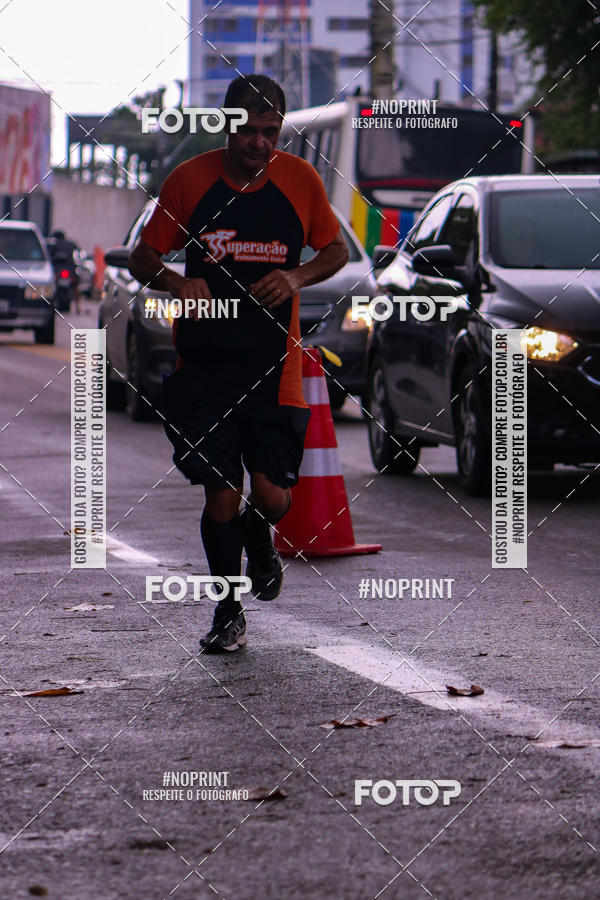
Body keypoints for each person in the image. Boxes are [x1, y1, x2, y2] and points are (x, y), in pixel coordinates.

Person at [129, 74, 348, 653]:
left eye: (270, 132)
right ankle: (227, 610)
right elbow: (142, 254)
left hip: (276, 366)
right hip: (203, 369)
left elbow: (336, 249)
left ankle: (261, 535)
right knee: (221, 493)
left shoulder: (300, 181)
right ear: (226, 126)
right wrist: (177, 281)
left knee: (273, 497)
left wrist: (297, 275)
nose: (258, 142)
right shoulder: (190, 181)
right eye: (247, 130)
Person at [50, 230, 81, 312]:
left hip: (58, 272)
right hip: (70, 271)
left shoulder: (54, 245)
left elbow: (49, 258)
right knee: (76, 286)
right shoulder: (71, 244)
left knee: (51, 284)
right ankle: (78, 307)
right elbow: (78, 255)